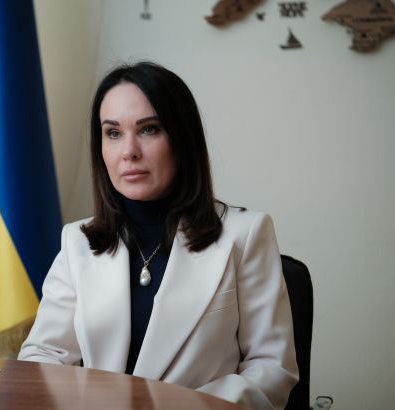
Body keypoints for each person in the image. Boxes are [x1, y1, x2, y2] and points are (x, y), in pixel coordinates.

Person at [18, 62, 298, 409]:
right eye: (113, 133)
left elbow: (271, 369)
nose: (129, 151)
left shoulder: (246, 234)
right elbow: (42, 356)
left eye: (149, 129)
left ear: (182, 139)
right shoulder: (77, 241)